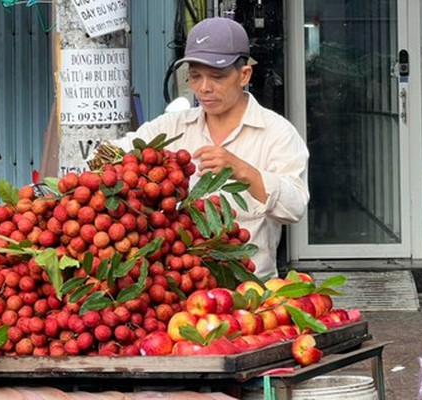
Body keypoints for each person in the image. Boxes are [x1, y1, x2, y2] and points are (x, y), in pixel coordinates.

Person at [109, 17, 309, 279]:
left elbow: (294, 208)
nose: (204, 88)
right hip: (178, 290)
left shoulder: (276, 133)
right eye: (195, 76)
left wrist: (242, 170)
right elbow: (115, 154)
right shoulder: (173, 127)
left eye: (217, 76)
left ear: (244, 75)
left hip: (248, 292)